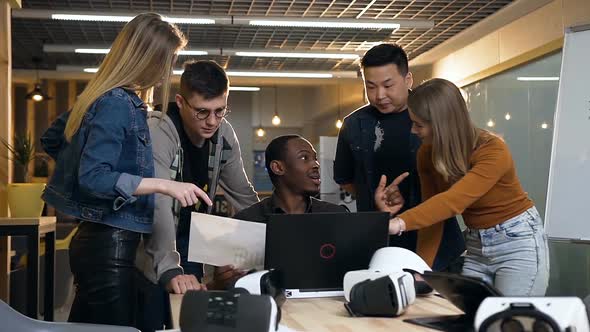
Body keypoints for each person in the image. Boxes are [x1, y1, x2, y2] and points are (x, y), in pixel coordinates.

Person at [40, 13, 212, 326]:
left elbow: (53, 139)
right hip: (110, 247)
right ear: (147, 59)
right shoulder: (118, 103)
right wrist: (163, 185)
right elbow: (92, 177)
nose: (166, 71)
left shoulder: (97, 98)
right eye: (166, 60)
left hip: (96, 242)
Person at [381, 78, 549, 296]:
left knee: (508, 321)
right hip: (477, 245)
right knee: (470, 317)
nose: (413, 130)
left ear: (442, 124)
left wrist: (399, 223)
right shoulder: (427, 153)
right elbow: (434, 217)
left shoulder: (492, 150)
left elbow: (454, 201)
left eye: (419, 124)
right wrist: (422, 268)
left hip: (517, 242)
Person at [135, 60, 259, 331]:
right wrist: (169, 269)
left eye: (220, 111)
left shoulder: (223, 133)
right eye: (202, 112)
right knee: (157, 313)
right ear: (180, 101)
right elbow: (159, 202)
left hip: (192, 237)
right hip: (151, 238)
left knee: (192, 317)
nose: (212, 121)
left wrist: (270, 243)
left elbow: (243, 194)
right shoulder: (159, 130)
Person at [333, 43, 464, 271]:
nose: (379, 95)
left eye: (388, 85)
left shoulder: (436, 118)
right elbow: (346, 180)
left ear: (408, 79)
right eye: (371, 86)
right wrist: (374, 199)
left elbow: (459, 177)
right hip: (377, 242)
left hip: (437, 241)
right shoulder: (353, 125)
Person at [234, 135, 348, 223]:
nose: (316, 164)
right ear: (278, 167)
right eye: (304, 157)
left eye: (315, 158)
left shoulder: (336, 216)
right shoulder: (248, 221)